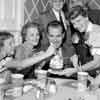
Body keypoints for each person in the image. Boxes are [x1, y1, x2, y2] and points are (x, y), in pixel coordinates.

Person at [69, 6, 100, 85]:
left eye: (78, 21)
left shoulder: (96, 32)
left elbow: (97, 62)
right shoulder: (81, 33)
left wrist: (75, 70)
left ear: (86, 17)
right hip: (91, 77)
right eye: (73, 23)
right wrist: (75, 57)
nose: (76, 26)